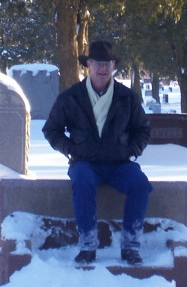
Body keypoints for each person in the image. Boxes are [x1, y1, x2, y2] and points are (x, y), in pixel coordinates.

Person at [42, 41, 152, 266]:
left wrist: (131, 150)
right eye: (98, 63)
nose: (103, 69)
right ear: (88, 65)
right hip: (85, 163)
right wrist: (72, 150)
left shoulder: (127, 97)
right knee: (81, 181)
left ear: (113, 67)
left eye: (108, 64)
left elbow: (143, 129)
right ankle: (88, 245)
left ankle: (131, 245)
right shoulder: (70, 98)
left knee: (140, 183)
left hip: (119, 164)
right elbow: (51, 129)